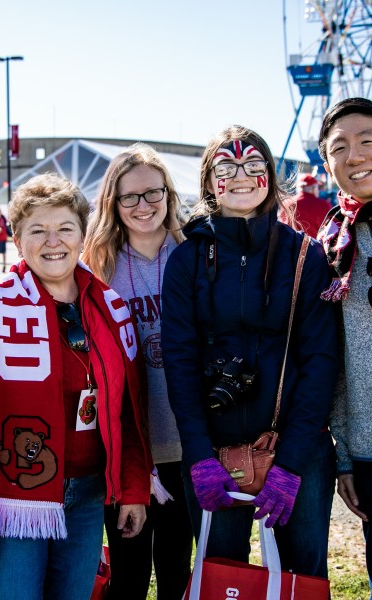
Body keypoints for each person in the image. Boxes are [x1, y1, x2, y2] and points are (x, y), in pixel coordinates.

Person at [0, 173, 152, 600]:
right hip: (13, 502)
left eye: (65, 228)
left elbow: (130, 413)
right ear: (17, 240)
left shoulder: (110, 307)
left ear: (82, 236)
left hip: (88, 494)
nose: (52, 241)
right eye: (37, 230)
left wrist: (132, 489)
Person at [161, 125, 338, 580]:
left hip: (297, 449)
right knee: (223, 579)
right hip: (213, 451)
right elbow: (178, 362)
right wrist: (198, 454)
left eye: (253, 166)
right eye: (227, 167)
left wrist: (293, 461)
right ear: (209, 181)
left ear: (270, 177)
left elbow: (320, 361)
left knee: (303, 578)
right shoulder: (186, 261)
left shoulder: (305, 256)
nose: (241, 176)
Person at [83, 143, 193, 600]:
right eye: (130, 197)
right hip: (128, 447)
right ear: (113, 203)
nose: (143, 205)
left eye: (153, 193)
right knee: (128, 574)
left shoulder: (193, 254)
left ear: (168, 194)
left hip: (188, 443)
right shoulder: (97, 264)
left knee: (174, 567)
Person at [316, 97, 372, 597]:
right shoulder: (331, 242)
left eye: (367, 142)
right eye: (341, 148)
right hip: (369, 447)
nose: (355, 156)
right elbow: (332, 360)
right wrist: (347, 457)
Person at [278, 173, 331, 237]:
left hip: (288, 245)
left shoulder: (286, 203)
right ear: (314, 188)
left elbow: (281, 225)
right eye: (317, 188)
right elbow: (329, 229)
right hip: (313, 245)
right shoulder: (324, 205)